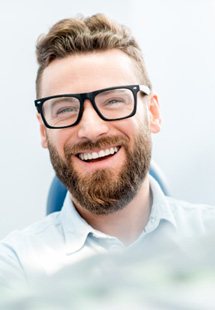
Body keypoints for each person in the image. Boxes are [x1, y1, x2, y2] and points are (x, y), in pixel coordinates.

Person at [0, 13, 214, 288]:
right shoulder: (15, 267)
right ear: (44, 131)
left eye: (113, 100)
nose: (91, 129)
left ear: (152, 112)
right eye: (65, 109)